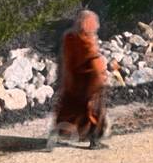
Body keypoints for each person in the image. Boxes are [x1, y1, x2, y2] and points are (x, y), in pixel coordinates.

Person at [47, 9, 110, 150]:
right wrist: (101, 77)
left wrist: (63, 79)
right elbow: (94, 60)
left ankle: (55, 136)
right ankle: (95, 141)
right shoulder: (87, 38)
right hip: (88, 81)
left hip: (72, 81)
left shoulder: (69, 36)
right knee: (94, 111)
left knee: (68, 110)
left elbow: (65, 60)